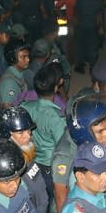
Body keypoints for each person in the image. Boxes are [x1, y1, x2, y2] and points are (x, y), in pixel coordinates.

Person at [53, 94, 106, 213]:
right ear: (83, 133)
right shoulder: (64, 156)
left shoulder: (97, 143)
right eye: (100, 132)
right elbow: (60, 197)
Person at [0, 106, 50, 213]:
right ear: (8, 134)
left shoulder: (27, 145)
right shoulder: (7, 161)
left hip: (41, 201)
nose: (28, 136)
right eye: (20, 132)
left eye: (28, 130)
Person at [20, 66, 66, 194]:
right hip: (48, 164)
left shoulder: (25, 106)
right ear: (56, 88)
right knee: (49, 195)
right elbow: (62, 147)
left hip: (30, 159)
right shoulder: (56, 117)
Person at [73, 0, 104, 74]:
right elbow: (99, 16)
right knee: (92, 46)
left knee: (80, 46)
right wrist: (101, 27)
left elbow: (76, 13)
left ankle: (80, 66)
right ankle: (92, 66)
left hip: (81, 25)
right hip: (92, 26)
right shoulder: (97, 0)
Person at [0, 38, 31, 110]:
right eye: (23, 57)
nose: (28, 59)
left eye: (28, 56)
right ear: (13, 58)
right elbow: (9, 112)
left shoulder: (18, 75)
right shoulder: (8, 82)